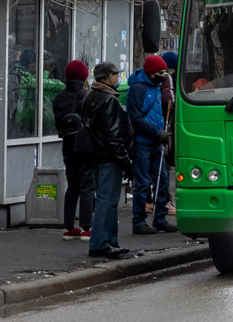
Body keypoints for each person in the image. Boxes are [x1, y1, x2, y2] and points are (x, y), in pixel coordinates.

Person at [80, 62, 134, 260]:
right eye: (115, 74)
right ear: (108, 77)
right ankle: (101, 242)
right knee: (107, 200)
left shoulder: (90, 96)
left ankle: (111, 241)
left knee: (106, 199)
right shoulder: (109, 100)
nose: (118, 78)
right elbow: (113, 136)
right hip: (109, 156)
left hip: (95, 155)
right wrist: (126, 161)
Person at [128, 55, 175, 235]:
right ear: (151, 72)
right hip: (144, 142)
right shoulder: (138, 89)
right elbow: (136, 118)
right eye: (161, 72)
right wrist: (157, 132)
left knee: (162, 181)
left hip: (156, 141)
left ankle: (160, 218)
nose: (164, 76)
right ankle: (138, 221)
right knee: (142, 184)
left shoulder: (154, 86)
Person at [53, 60, 95, 240]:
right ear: (84, 76)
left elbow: (58, 124)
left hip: (67, 146)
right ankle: (87, 227)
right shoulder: (88, 96)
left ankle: (69, 227)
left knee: (73, 186)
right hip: (85, 146)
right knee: (87, 185)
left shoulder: (59, 97)